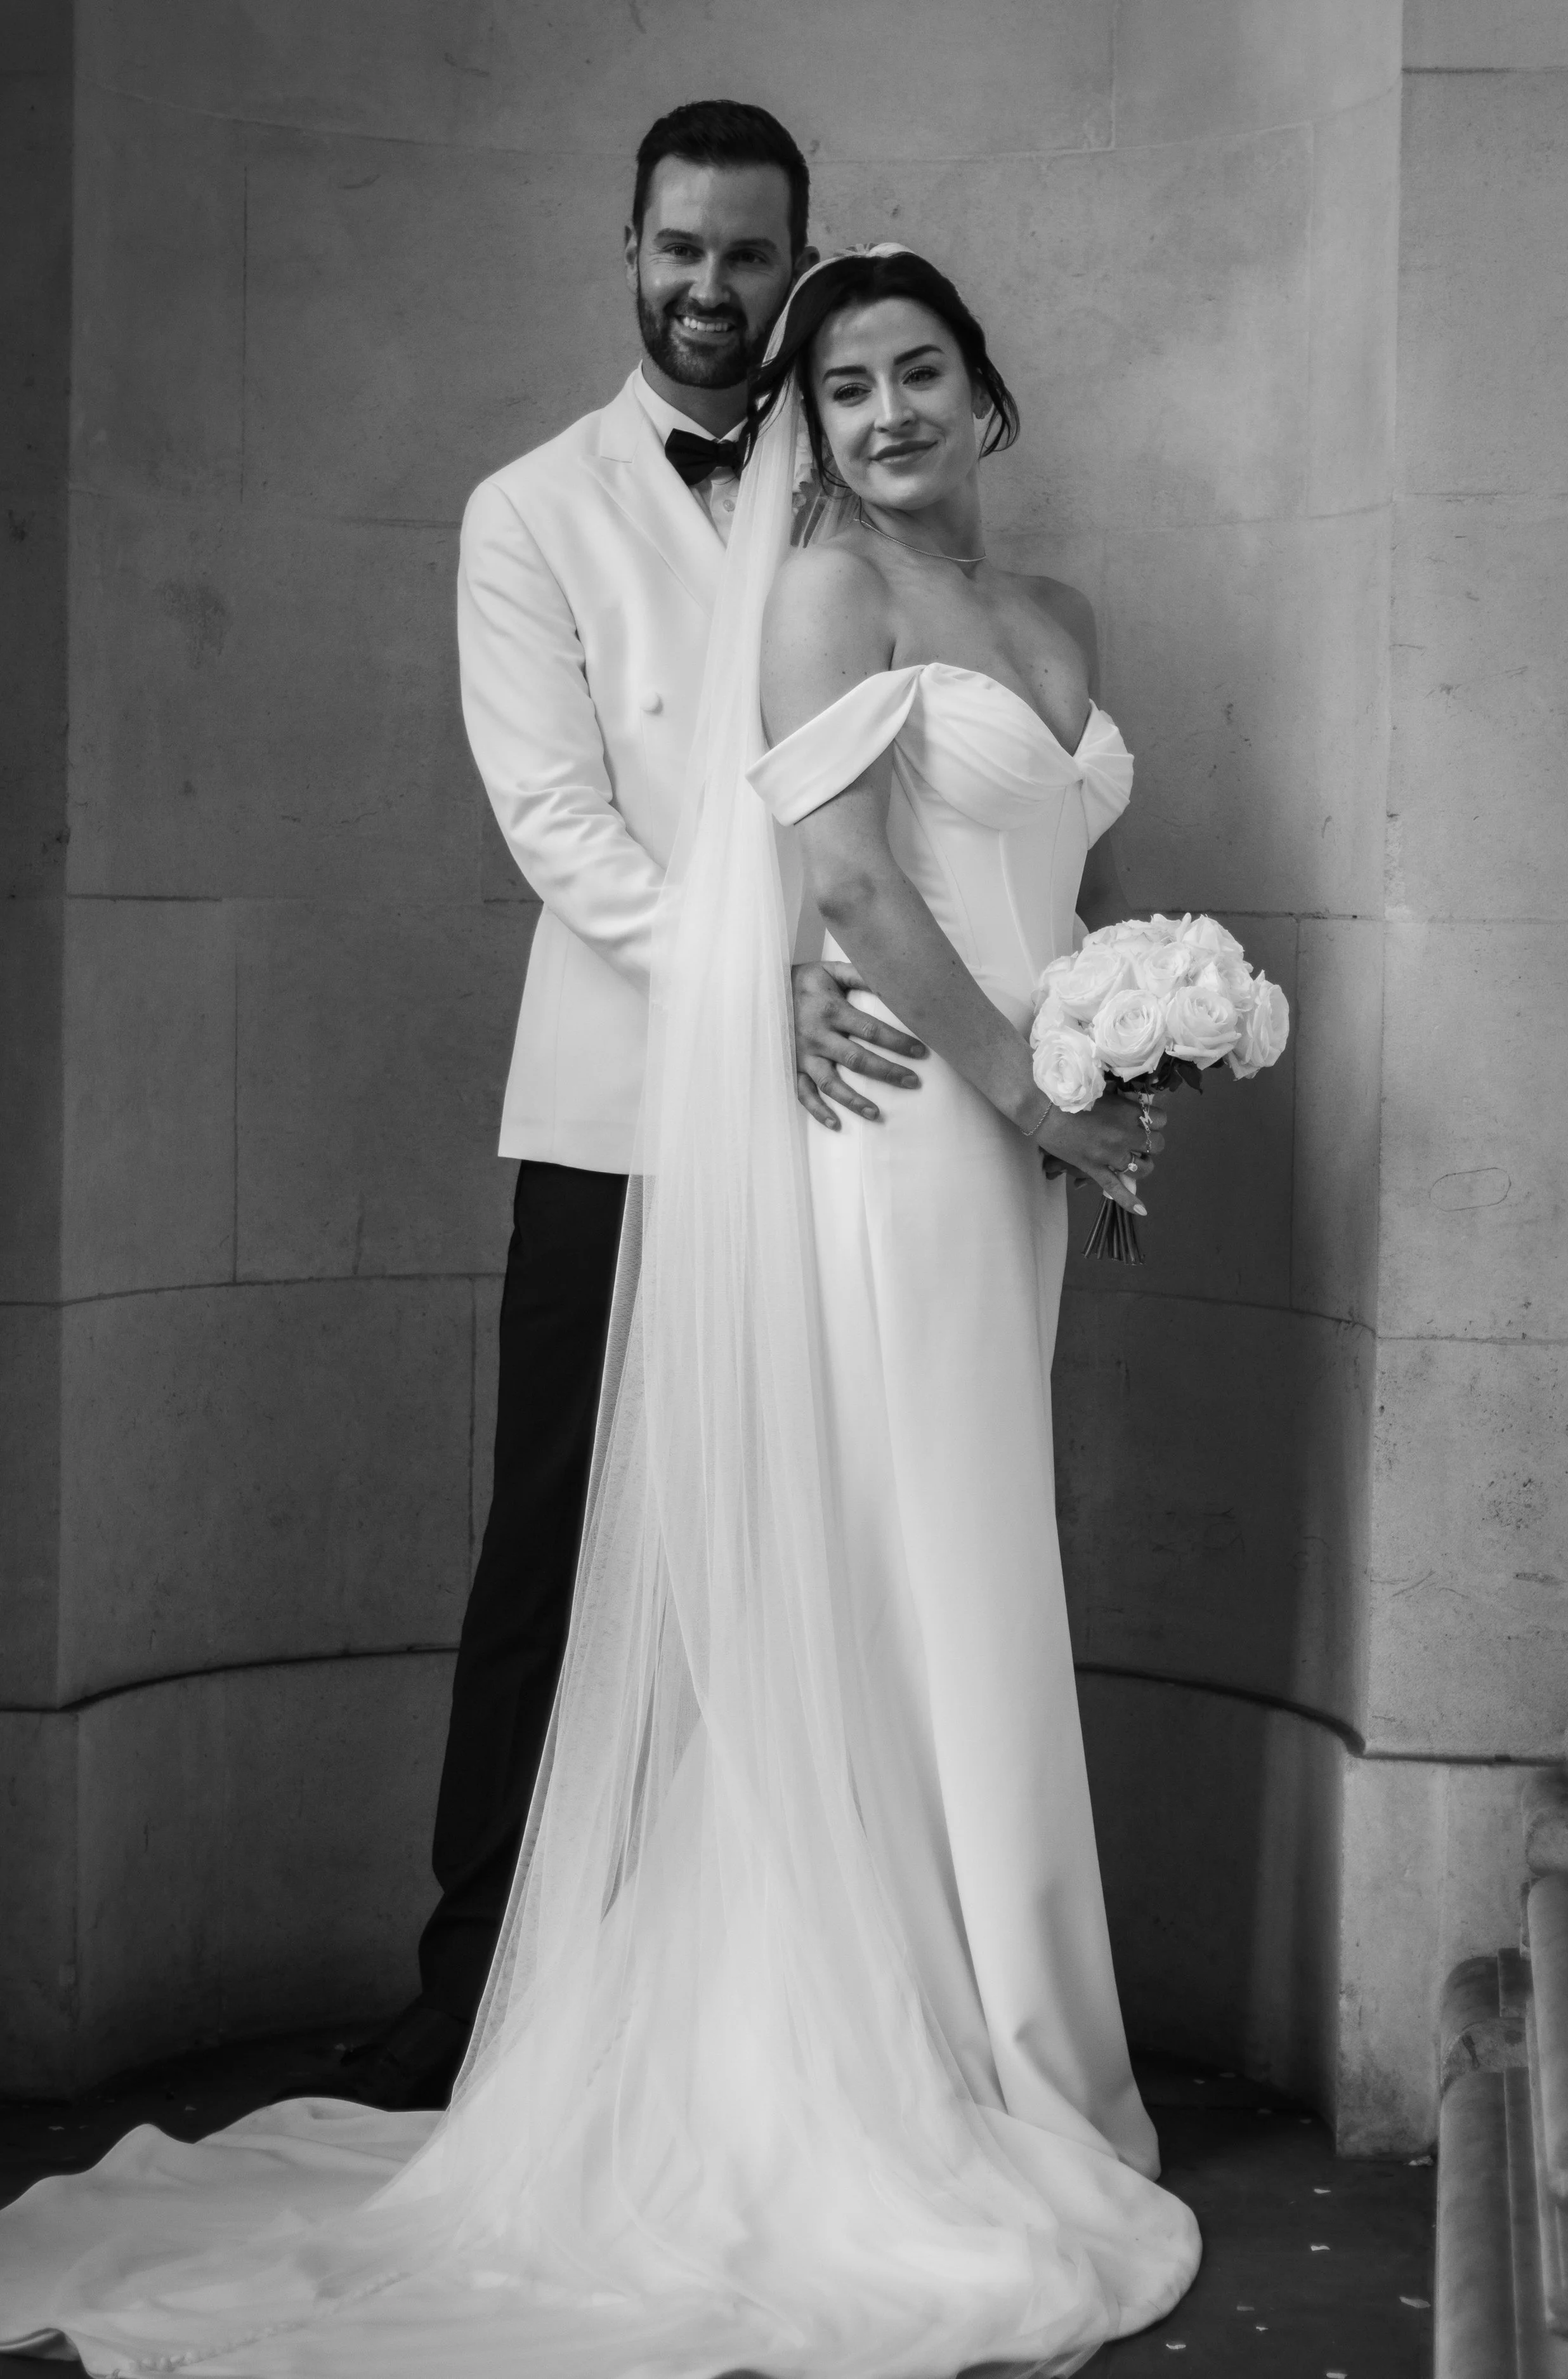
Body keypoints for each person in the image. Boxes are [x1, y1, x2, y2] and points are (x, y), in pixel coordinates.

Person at [0, 247, 1200, 2375]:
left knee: (960, 1567)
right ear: (811, 432)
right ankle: (955, 2056)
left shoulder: (1067, 624)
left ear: (986, 393)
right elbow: (845, 888)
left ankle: (978, 2009)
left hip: (1029, 1135)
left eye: (920, 374)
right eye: (845, 392)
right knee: (919, 1567)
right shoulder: (831, 600)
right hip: (917, 1124)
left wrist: (1118, 1056)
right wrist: (1026, 1086)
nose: (887, 414)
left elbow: (1053, 889)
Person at [344, 101, 928, 2113]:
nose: (711, 289)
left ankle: (790, 1996)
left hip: (847, 1095)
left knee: (820, 1541)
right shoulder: (530, 509)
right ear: (625, 249)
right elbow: (557, 825)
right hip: (616, 1101)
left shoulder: (842, 457)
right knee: (557, 1546)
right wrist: (741, 985)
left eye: (750, 256)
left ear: (798, 258)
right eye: (679, 249)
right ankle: (476, 1983)